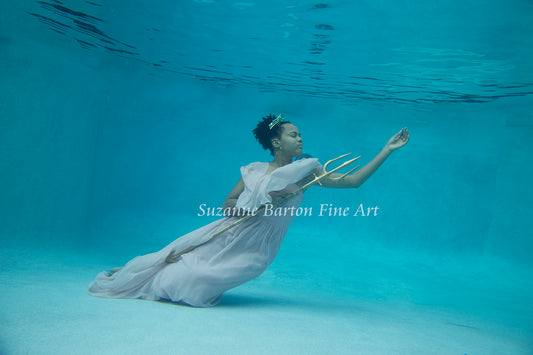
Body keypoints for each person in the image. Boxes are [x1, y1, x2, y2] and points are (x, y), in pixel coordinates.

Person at [88, 114, 409, 307]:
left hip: (256, 246)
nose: (300, 139)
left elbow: (353, 182)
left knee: (195, 283)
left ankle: (155, 275)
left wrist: (387, 150)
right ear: (276, 142)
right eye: (293, 135)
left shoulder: (307, 171)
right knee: (164, 262)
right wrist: (256, 206)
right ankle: (138, 273)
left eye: (300, 135)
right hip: (223, 232)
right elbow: (227, 205)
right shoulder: (254, 169)